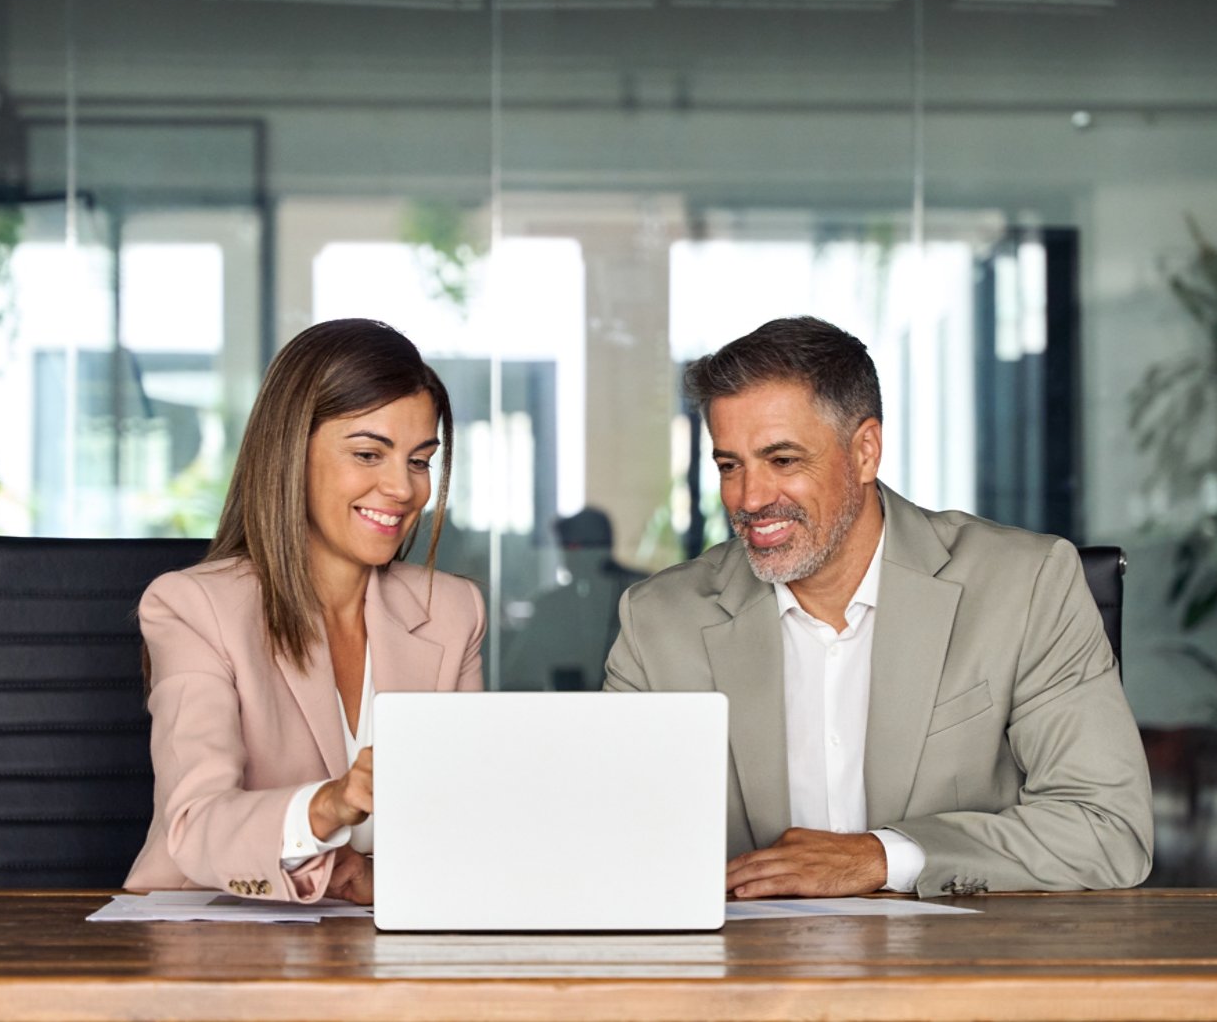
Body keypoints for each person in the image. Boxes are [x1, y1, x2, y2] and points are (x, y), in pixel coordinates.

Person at [604, 316, 1152, 899]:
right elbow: (602, 841)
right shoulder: (659, 623)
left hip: (962, 974)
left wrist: (882, 857)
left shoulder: (1025, 585)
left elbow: (1109, 829)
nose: (750, 498)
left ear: (865, 451)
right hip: (745, 977)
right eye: (730, 465)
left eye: (783, 460)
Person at [125, 318, 483, 904]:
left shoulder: (451, 611)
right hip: (216, 944)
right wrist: (329, 806)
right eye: (369, 453)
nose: (403, 488)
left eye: (419, 461)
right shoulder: (194, 608)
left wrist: (373, 880)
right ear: (292, 453)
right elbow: (194, 823)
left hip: (387, 947)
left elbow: (463, 826)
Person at [503, 508, 647, 691]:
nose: (565, 555)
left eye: (571, 546)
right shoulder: (553, 606)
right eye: (563, 546)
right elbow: (519, 674)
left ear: (598, 547)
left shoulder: (640, 594)